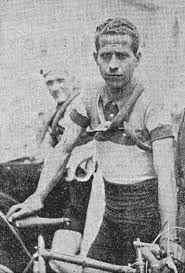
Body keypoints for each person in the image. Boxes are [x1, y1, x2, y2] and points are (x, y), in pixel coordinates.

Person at [7, 17, 183, 272]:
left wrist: (169, 235)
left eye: (122, 56)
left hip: (148, 219)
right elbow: (64, 148)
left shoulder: (152, 103)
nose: (113, 65)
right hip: (111, 220)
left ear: (138, 57)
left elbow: (166, 176)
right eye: (105, 56)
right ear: (95, 57)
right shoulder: (89, 96)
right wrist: (38, 195)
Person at [10, 68, 95, 273]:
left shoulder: (79, 105)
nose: (55, 87)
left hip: (81, 186)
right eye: (50, 82)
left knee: (61, 259)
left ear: (74, 79)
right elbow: (44, 150)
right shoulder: (58, 110)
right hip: (62, 186)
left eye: (60, 80)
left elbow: (62, 151)